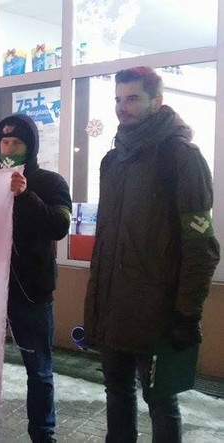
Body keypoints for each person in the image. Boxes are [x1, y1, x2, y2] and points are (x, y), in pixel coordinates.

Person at [84, 66, 219, 442]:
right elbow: (108, 241)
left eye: (133, 99)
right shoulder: (114, 160)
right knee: (117, 394)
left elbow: (202, 246)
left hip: (159, 311)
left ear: (156, 101)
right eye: (118, 99)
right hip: (115, 307)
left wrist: (187, 313)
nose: (122, 108)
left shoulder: (180, 156)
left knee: (160, 401)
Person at [0, 114, 72, 443]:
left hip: (32, 292)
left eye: (17, 143)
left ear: (31, 146)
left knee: (38, 370)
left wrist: (25, 195)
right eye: (4, 142)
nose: (9, 148)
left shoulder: (51, 183)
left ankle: (43, 435)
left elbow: (59, 226)